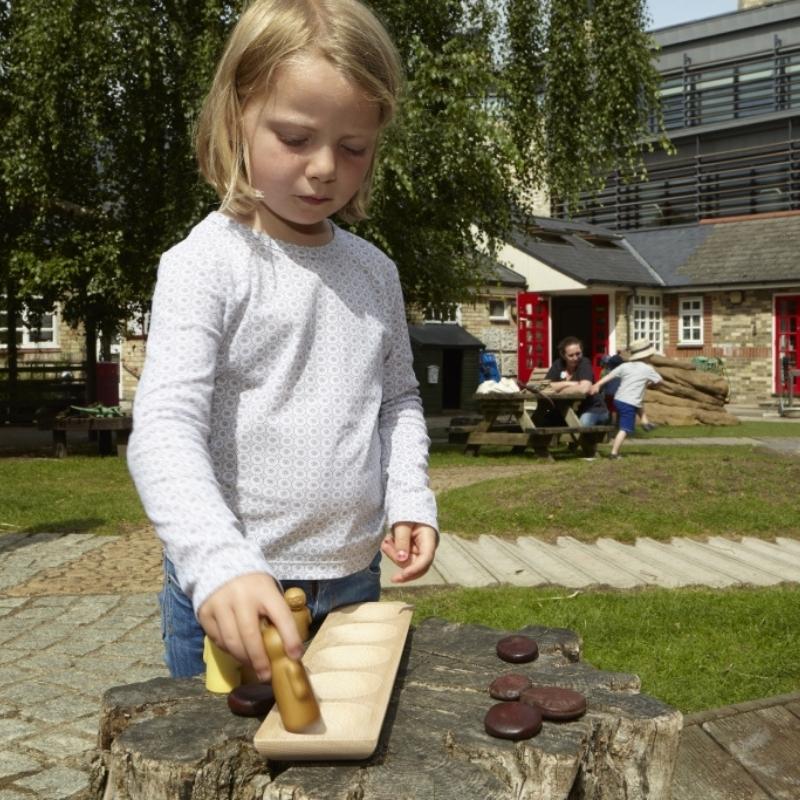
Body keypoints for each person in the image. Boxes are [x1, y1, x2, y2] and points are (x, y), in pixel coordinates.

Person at [127, 0, 438, 684]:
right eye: (295, 138)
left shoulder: (373, 271)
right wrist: (217, 564)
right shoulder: (205, 263)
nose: (325, 167)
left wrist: (410, 496)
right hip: (237, 592)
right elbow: (162, 427)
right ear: (236, 114)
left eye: (352, 147)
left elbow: (400, 402)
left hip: (354, 581)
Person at [589, 339, 662, 459]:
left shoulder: (625, 366)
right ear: (648, 356)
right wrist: (649, 382)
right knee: (625, 429)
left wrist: (597, 385)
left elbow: (609, 376)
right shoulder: (648, 369)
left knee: (638, 401)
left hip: (618, 399)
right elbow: (660, 381)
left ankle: (645, 422)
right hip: (629, 402)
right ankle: (614, 453)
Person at [544, 336, 610, 426]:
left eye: (578, 354)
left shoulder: (584, 362)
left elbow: (584, 389)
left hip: (593, 408)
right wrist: (569, 383)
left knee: (582, 425)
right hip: (570, 409)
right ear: (563, 355)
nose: (575, 358)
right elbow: (545, 386)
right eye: (571, 355)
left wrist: (560, 391)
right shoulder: (558, 364)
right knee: (545, 421)